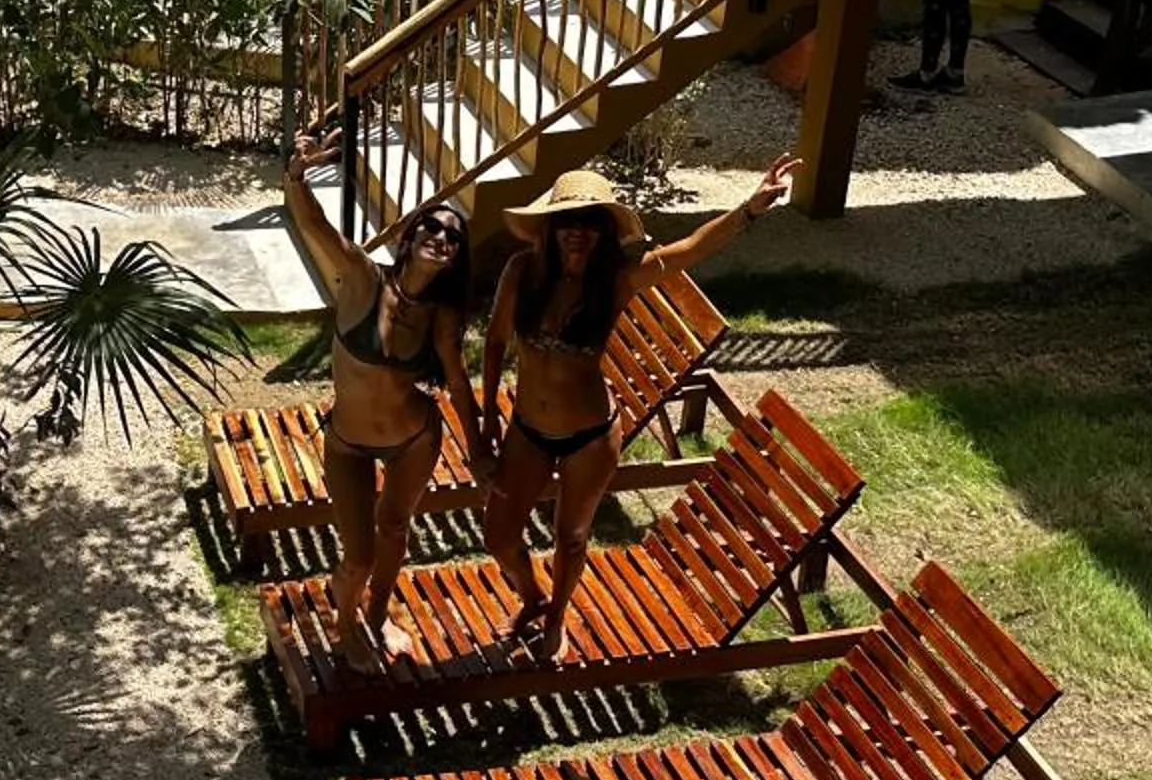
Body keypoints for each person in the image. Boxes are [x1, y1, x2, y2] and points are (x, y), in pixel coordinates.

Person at [479, 157, 798, 660]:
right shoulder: (523, 272)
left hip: (590, 434)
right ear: (551, 227)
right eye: (569, 222)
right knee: (498, 534)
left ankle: (557, 619)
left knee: (571, 536)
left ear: (605, 233)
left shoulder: (617, 281)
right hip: (526, 429)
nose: (578, 233)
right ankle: (535, 597)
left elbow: (691, 249)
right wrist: (486, 425)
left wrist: (749, 209)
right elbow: (494, 344)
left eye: (591, 223)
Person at [283, 129, 485, 673]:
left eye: (453, 236)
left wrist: (480, 452)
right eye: (432, 226)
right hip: (348, 443)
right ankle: (345, 621)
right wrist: (297, 175)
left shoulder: (440, 317)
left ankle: (375, 612)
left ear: (455, 257)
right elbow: (313, 226)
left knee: (395, 531)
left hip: (414, 440)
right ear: (412, 234)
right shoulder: (362, 278)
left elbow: (460, 383)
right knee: (358, 555)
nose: (441, 237)